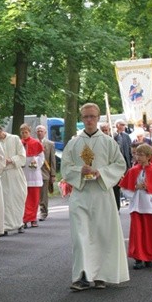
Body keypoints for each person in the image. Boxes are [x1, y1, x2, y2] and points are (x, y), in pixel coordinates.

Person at [61, 103, 129, 291]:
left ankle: (101, 275)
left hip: (101, 194)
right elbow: (65, 168)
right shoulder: (73, 143)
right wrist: (78, 170)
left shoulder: (108, 142)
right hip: (81, 194)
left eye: (92, 116)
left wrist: (101, 173)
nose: (89, 120)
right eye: (85, 117)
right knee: (80, 236)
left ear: (98, 118)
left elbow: (120, 164)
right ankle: (82, 276)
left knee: (101, 235)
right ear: (81, 119)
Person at [120, 143, 152, 269]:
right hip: (137, 205)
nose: (138, 157)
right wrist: (135, 188)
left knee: (150, 232)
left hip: (150, 205)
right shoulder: (133, 171)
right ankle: (138, 257)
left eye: (141, 155)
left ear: (148, 156)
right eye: (137, 154)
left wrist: (149, 189)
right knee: (138, 232)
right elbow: (124, 187)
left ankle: (149, 257)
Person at [0, 124, 27, 235]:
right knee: (5, 200)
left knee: (18, 197)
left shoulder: (14, 138)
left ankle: (19, 223)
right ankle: (5, 226)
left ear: (1, 131)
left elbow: (22, 155)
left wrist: (11, 160)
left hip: (15, 172)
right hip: (3, 174)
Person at [20, 123, 44, 228]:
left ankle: (33, 218)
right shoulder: (19, 143)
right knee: (24, 198)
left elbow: (41, 157)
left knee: (34, 198)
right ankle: (25, 218)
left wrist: (35, 162)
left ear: (29, 132)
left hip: (34, 174)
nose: (24, 134)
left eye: (26, 132)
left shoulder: (36, 143)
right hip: (23, 173)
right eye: (22, 132)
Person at [35, 125, 56, 221]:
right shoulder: (33, 143)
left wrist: (53, 174)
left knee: (43, 194)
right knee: (35, 194)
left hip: (45, 172)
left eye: (41, 131)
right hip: (34, 172)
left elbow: (52, 160)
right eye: (38, 131)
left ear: (45, 132)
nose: (39, 133)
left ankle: (43, 212)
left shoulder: (50, 144)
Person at [113, 119, 133, 211]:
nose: (124, 126)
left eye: (124, 125)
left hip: (126, 162)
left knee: (125, 181)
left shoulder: (126, 136)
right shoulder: (113, 136)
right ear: (117, 125)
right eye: (122, 125)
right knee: (117, 183)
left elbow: (130, 149)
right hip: (116, 164)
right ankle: (118, 201)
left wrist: (130, 162)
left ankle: (125, 196)